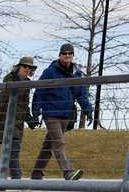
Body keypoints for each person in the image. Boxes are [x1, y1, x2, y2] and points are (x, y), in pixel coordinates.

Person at [30, 43, 91, 181]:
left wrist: (88, 110)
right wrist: (35, 111)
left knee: (49, 144)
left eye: (70, 53)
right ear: (60, 55)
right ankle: (68, 172)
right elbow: (39, 92)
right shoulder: (50, 72)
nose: (67, 55)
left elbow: (81, 94)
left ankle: (36, 173)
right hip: (51, 114)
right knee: (59, 142)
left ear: (72, 55)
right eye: (65, 53)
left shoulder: (77, 74)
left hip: (66, 114)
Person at [0, 57, 38, 179]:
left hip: (18, 124)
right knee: (13, 151)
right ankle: (17, 177)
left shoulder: (28, 85)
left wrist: (31, 120)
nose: (27, 70)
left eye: (30, 68)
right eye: (25, 67)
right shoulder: (10, 82)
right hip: (5, 122)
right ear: (18, 67)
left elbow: (24, 107)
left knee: (7, 152)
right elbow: (1, 102)